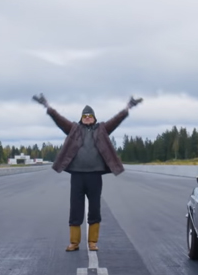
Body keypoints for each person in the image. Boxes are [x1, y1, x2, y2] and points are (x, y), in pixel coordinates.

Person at [33, 93, 142, 252]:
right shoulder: (73, 129)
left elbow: (117, 119)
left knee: (95, 208)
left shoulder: (102, 129)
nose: (88, 118)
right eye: (85, 116)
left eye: (90, 116)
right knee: (75, 208)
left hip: (95, 175)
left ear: (94, 118)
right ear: (81, 118)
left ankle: (92, 242)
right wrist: (47, 107)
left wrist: (128, 107)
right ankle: (74, 243)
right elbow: (58, 119)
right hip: (77, 175)